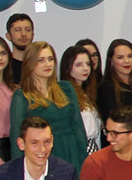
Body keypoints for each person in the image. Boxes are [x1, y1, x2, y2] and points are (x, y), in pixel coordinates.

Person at [9, 41, 89, 173]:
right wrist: (19, 171)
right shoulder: (22, 96)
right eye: (41, 60)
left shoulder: (66, 88)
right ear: (30, 63)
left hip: (71, 152)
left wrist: (84, 162)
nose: (48, 64)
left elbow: (78, 128)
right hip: (41, 155)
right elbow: (16, 136)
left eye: (50, 59)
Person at [59, 44, 103, 159]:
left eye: (88, 64)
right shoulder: (65, 95)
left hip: (94, 147)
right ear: (67, 67)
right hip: (78, 150)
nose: (85, 68)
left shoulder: (87, 93)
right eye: (78, 65)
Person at [5, 12, 34, 81]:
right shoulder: (4, 66)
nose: (24, 34)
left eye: (28, 30)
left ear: (32, 35)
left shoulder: (39, 63)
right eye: (17, 30)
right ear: (8, 36)